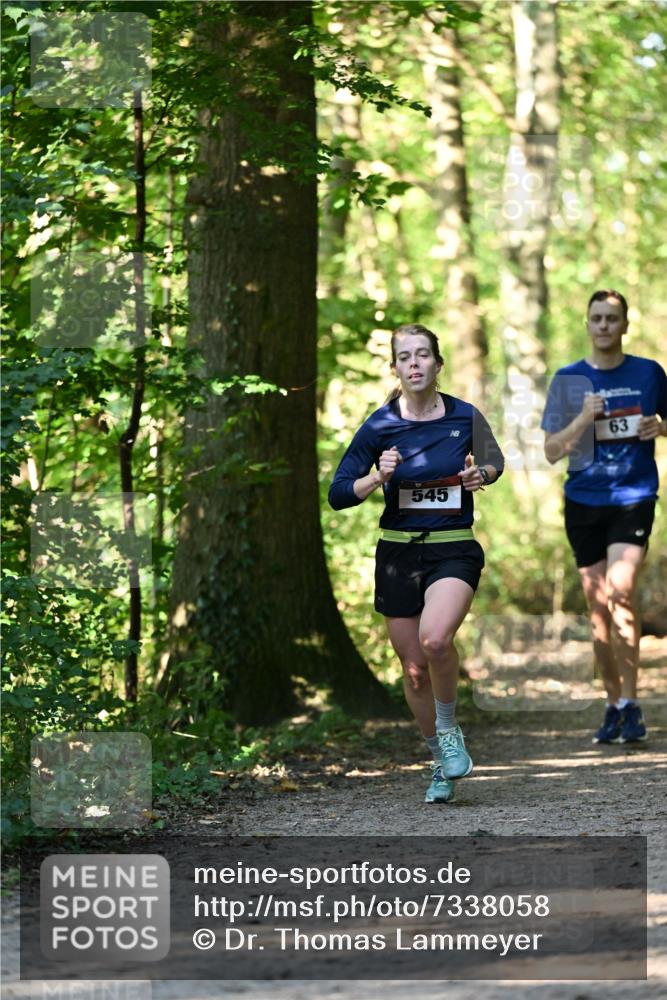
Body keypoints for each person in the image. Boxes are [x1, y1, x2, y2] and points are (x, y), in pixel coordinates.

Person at [328, 324, 504, 804]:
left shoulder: (465, 416)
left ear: (437, 363)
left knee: (435, 639)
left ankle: (449, 732)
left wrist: (479, 473)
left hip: (453, 547)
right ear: (395, 368)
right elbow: (338, 493)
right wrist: (373, 478)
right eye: (405, 356)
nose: (414, 363)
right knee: (413, 671)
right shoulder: (380, 426)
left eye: (423, 355)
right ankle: (439, 764)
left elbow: (495, 462)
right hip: (398, 554)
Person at [542, 289, 666, 745]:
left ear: (625, 325)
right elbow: (552, 451)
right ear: (587, 324)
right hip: (584, 501)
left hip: (633, 496)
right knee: (598, 609)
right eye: (596, 318)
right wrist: (582, 421)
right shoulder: (569, 379)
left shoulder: (649, 372)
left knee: (622, 592)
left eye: (612, 318)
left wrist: (662, 426)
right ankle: (612, 703)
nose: (604, 326)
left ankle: (633, 704)